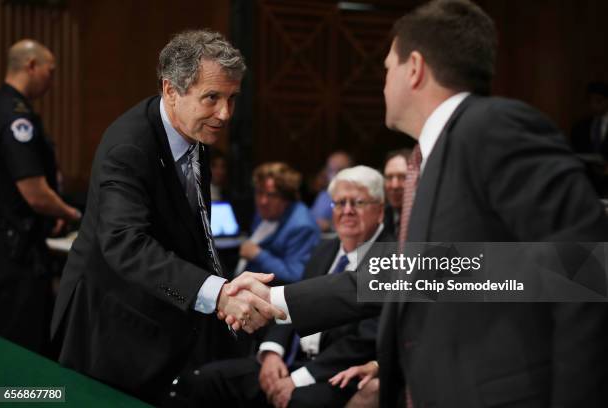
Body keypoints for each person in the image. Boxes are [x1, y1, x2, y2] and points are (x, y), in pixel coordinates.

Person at [223, 1, 608, 407]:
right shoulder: (433, 156)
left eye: (388, 67)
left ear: (415, 68)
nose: (383, 82)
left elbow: (582, 271)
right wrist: (277, 300)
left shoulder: (494, 127)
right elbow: (413, 275)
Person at [50, 30, 284, 402]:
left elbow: (193, 231)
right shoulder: (129, 146)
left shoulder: (196, 130)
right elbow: (125, 244)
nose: (225, 114)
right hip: (112, 327)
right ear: (171, 90)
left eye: (232, 99)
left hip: (167, 323)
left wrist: (225, 290)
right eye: (212, 98)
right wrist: (218, 295)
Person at [195, 166, 389, 408]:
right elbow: (295, 305)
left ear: (380, 210)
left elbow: (366, 341)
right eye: (339, 203)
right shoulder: (324, 249)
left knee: (295, 401)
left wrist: (297, 380)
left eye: (358, 203)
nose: (347, 211)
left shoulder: (389, 258)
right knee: (206, 380)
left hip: (337, 373)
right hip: (289, 360)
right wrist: (271, 352)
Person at [0, 39, 81, 354]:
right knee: (20, 350)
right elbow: (34, 192)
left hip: (10, 248)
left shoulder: (1, 107)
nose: (52, 79)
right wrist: (71, 214)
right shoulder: (16, 117)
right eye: (51, 71)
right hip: (16, 254)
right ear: (31, 66)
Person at [236, 162, 320, 284]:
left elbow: (295, 275)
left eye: (271, 195)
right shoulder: (265, 212)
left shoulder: (302, 226)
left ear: (287, 198)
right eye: (259, 192)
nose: (263, 201)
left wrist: (257, 254)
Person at [311, 150, 353, 231]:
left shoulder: (357, 198)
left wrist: (330, 226)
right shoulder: (323, 195)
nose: (335, 174)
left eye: (340, 170)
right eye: (331, 170)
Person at [382, 148, 412, 236]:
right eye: (389, 177)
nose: (394, 185)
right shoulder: (378, 221)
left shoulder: (428, 219)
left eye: (402, 177)